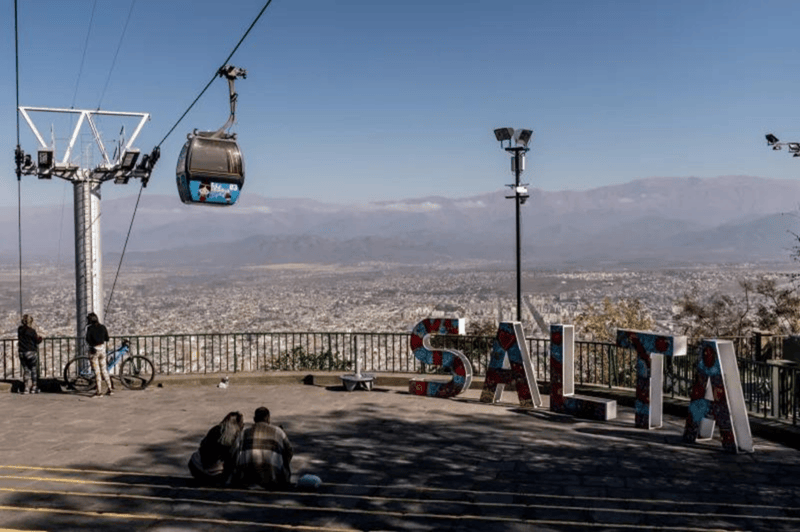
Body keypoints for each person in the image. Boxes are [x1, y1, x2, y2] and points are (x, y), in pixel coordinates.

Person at [231, 407, 293, 489]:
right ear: (268, 419)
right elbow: (289, 451)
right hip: (273, 479)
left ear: (254, 419)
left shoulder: (243, 433)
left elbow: (233, 453)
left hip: (247, 479)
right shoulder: (278, 431)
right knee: (284, 455)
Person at [188, 411, 244, 485]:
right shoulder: (236, 438)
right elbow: (231, 461)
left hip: (196, 467)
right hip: (215, 473)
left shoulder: (215, 429)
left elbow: (202, 444)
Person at [85, 312, 113, 397]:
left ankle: (99, 391)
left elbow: (88, 340)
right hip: (102, 350)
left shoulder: (90, 328)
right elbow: (107, 338)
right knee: (104, 370)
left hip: (94, 351)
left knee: (97, 372)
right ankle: (110, 389)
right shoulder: (103, 327)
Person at [17, 314, 43, 394]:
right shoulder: (32, 331)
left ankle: (26, 388)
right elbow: (37, 340)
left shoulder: (19, 330)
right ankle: (34, 387)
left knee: (26, 370)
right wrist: (40, 338)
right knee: (33, 369)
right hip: (31, 351)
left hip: (22, 352)